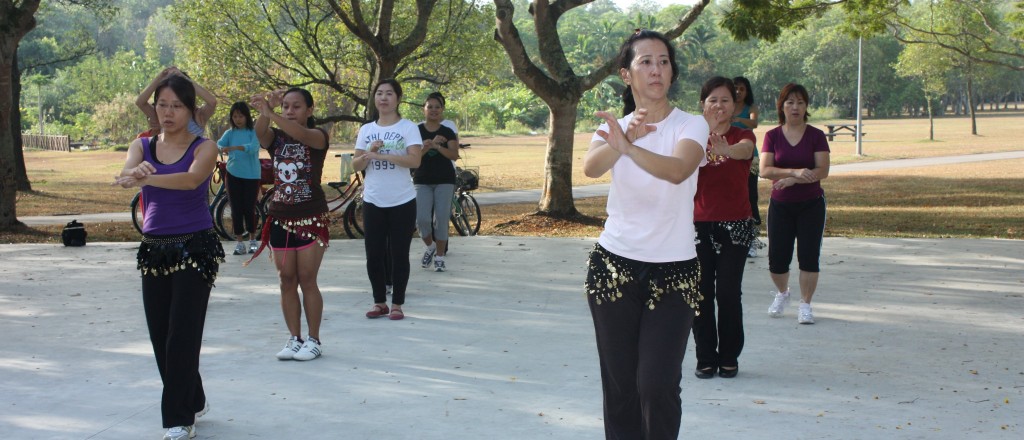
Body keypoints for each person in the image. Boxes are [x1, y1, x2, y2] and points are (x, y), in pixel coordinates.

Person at [582, 30, 708, 440]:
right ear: (627, 74)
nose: (657, 69)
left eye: (664, 61)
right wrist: (623, 139)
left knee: (656, 384)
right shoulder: (613, 128)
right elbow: (591, 168)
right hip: (614, 268)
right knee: (620, 388)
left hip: (675, 272)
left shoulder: (692, 124)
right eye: (646, 62)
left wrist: (631, 146)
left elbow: (677, 171)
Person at [115, 75, 223, 440]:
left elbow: (191, 180)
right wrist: (132, 174)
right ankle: (192, 396)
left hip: (195, 247)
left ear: (191, 110)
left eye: (177, 105)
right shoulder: (142, 146)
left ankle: (178, 417)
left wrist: (148, 179)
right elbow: (126, 172)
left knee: (182, 333)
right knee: (160, 334)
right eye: (163, 104)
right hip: (154, 249)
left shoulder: (204, 147)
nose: (168, 112)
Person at [248, 88, 330, 361]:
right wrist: (265, 112)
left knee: (307, 279)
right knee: (286, 280)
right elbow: (261, 134)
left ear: (310, 110)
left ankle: (314, 339)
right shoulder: (277, 137)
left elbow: (301, 135)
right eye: (285, 106)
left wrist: (272, 113)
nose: (290, 111)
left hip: (311, 218)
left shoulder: (318, 136)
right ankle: (294, 338)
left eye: (296, 107)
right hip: (280, 217)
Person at [692, 76, 757, 380]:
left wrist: (727, 150)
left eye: (725, 100)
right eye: (712, 100)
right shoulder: (690, 137)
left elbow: (745, 151)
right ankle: (705, 357)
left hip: (736, 226)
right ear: (703, 105)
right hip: (697, 226)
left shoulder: (742, 135)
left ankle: (729, 355)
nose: (719, 105)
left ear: (735, 106)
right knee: (701, 293)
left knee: (728, 292)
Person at [760, 83, 831, 324]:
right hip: (780, 206)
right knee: (777, 259)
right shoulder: (772, 136)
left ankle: (805, 304)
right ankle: (783, 293)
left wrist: (793, 180)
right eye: (790, 102)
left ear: (806, 106)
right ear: (781, 106)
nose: (795, 107)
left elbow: (823, 169)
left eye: (800, 102)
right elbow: (765, 170)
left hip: (811, 204)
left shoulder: (816, 135)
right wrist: (794, 172)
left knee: (809, 256)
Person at [353, 79, 423, 321]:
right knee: (373, 253)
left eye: (389, 94)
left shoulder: (408, 127)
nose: (383, 98)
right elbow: (355, 164)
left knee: (399, 253)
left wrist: (387, 155)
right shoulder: (366, 130)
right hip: (373, 199)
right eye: (379, 93)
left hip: (402, 200)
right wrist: (368, 153)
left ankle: (397, 304)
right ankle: (379, 302)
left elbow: (415, 161)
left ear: (398, 98)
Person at [414, 92, 460, 272]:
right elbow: (414, 156)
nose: (433, 110)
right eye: (430, 107)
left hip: (445, 180)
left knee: (441, 220)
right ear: (423, 109)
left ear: (442, 110)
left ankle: (440, 256)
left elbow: (454, 155)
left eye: (437, 107)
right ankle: (431, 246)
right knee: (422, 219)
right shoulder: (416, 130)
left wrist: (438, 146)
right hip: (422, 179)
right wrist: (427, 146)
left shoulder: (447, 131)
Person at [217, 101, 262, 255]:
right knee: (236, 209)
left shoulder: (253, 132)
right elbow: (219, 144)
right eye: (235, 116)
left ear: (246, 116)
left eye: (240, 116)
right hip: (233, 174)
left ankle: (252, 240)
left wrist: (236, 148)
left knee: (249, 208)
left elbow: (253, 147)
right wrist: (221, 148)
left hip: (251, 175)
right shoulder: (229, 133)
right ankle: (239, 243)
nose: (237, 119)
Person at [137, 67, 218, 137]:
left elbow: (212, 102)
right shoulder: (163, 114)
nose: (169, 112)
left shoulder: (198, 116)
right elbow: (140, 102)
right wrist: (159, 77)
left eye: (177, 106)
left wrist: (184, 78)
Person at [732, 76, 762, 257]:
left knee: (750, 195)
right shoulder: (725, 105)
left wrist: (737, 119)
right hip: (728, 156)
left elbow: (754, 123)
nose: (738, 92)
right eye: (735, 88)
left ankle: (752, 238)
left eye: (742, 89)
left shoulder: (751, 108)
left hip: (750, 159)